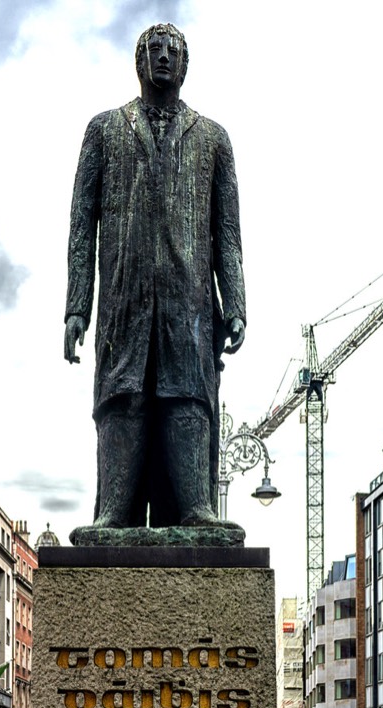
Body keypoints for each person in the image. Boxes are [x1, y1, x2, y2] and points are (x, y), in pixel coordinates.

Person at [64, 23, 246, 531]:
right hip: (125, 296)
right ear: (138, 60)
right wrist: (78, 306)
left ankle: (196, 509)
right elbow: (82, 226)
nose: (164, 57)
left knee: (187, 394)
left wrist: (235, 305)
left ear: (185, 65)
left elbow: (227, 233)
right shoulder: (104, 130)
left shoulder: (213, 138)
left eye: (174, 51)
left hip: (188, 298)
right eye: (154, 49)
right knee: (124, 394)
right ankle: (114, 513)